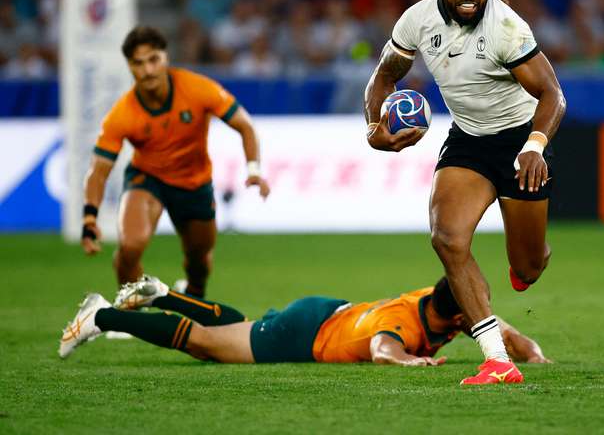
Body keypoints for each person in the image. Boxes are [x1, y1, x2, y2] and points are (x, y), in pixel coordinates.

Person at [363, 0, 566, 385]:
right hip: (469, 140)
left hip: (519, 143)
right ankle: (497, 358)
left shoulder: (507, 27)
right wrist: (374, 127)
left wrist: (535, 147)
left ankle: (531, 259)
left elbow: (553, 95)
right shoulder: (417, 20)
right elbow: (383, 78)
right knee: (448, 238)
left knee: (528, 267)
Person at [81, 26, 270, 297]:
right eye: (138, 63)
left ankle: (192, 294)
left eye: (153, 60)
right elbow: (97, 172)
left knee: (199, 260)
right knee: (131, 246)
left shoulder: (198, 89)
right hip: (147, 179)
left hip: (194, 183)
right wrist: (89, 219)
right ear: (129, 67)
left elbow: (245, 125)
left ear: (165, 58)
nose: (147, 70)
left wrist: (254, 169)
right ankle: (127, 309)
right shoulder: (121, 115)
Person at [58, 275, 550, 371]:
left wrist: (531, 352)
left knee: (240, 327)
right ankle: (100, 314)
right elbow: (383, 348)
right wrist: (410, 363)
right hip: (306, 334)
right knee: (208, 346)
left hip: (324, 313)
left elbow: (504, 332)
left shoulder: (447, 306)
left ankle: (165, 296)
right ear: (458, 313)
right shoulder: (405, 320)